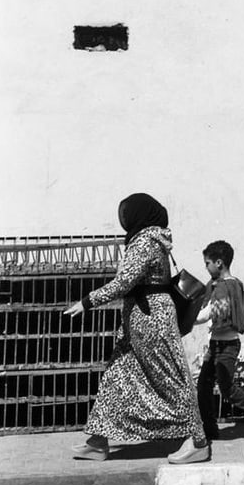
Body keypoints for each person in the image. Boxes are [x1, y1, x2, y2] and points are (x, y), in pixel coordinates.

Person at [63, 193, 210, 465]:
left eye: (126, 213)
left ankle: (198, 441)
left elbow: (124, 283)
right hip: (138, 323)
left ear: (139, 215)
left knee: (171, 379)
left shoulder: (145, 241)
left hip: (152, 321)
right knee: (116, 378)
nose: (123, 219)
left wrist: (87, 301)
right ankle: (98, 441)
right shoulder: (147, 239)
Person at [195, 240, 244, 441]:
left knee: (227, 389)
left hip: (227, 346)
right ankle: (210, 429)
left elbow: (211, 312)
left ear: (219, 263)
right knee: (204, 387)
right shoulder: (231, 284)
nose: (206, 268)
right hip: (215, 345)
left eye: (207, 263)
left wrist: (188, 320)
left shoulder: (225, 287)